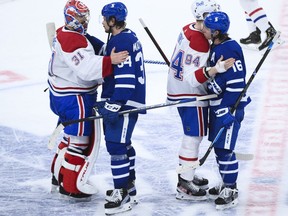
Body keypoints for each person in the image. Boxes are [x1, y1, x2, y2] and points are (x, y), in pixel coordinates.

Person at [48, 0, 128, 200]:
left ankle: (58, 175)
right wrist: (111, 61)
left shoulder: (66, 34)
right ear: (71, 18)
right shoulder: (72, 41)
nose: (85, 21)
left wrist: (106, 54)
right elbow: (86, 69)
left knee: (69, 137)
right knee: (81, 142)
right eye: (81, 18)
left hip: (61, 95)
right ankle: (71, 186)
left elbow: (89, 49)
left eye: (86, 17)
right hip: (75, 98)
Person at [167, 0, 235, 201]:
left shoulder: (189, 27)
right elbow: (192, 78)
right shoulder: (200, 41)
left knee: (193, 136)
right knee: (193, 136)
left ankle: (187, 173)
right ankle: (184, 184)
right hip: (190, 93)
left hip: (179, 88)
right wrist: (215, 69)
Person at [95, 2, 146, 215]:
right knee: (123, 146)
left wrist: (113, 104)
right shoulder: (127, 36)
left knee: (116, 147)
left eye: (105, 19)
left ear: (113, 21)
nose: (103, 22)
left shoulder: (122, 40)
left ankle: (122, 193)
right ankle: (128, 185)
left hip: (124, 104)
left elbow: (126, 80)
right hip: (127, 102)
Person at [202, 11, 251, 210]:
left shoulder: (229, 49)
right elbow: (222, 79)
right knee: (219, 148)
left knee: (225, 149)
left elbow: (237, 84)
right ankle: (225, 182)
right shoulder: (217, 45)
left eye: (207, 28)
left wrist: (226, 109)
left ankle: (231, 188)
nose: (203, 30)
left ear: (217, 32)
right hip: (220, 107)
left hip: (229, 109)